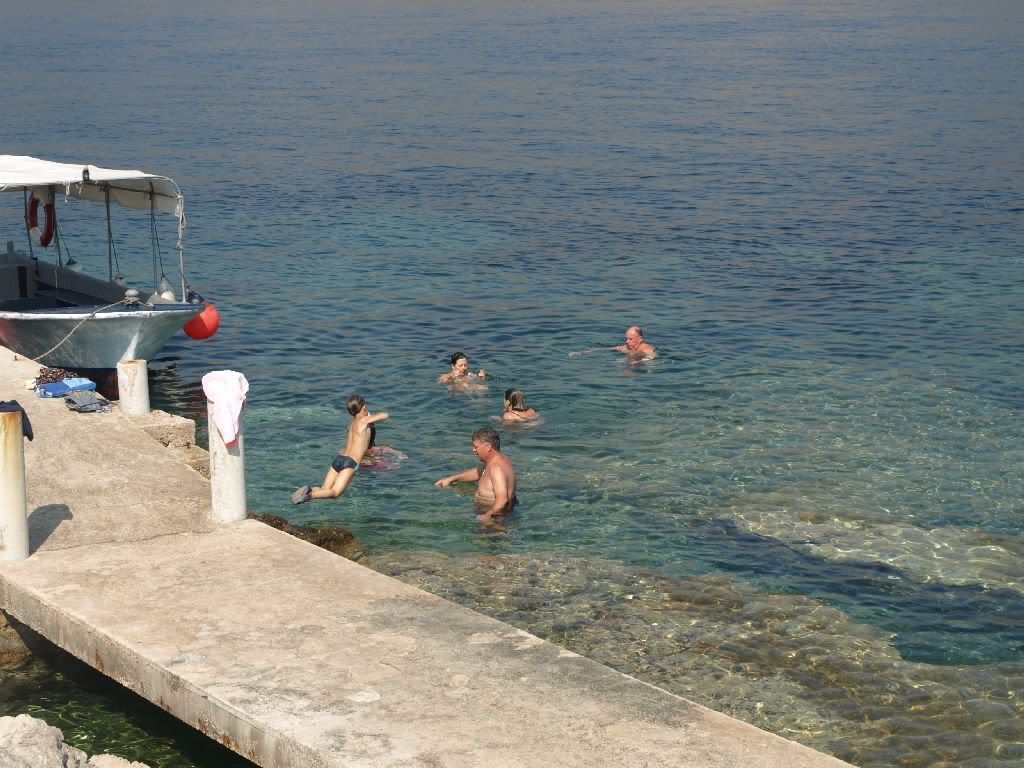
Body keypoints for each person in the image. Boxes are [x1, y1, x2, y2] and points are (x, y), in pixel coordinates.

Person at [291, 395, 390, 504]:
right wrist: (368, 414)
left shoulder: (351, 425)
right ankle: (310, 495)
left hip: (339, 458)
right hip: (350, 462)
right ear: (364, 407)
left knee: (324, 488)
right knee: (335, 493)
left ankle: (308, 491)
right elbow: (385, 415)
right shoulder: (364, 421)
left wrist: (365, 413)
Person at [435, 427, 517, 519]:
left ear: (488, 447)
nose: (473, 450)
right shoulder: (497, 461)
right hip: (490, 512)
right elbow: (478, 472)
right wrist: (451, 479)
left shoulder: (496, 468)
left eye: (476, 447)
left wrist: (488, 515)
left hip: (494, 519)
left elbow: (502, 499)